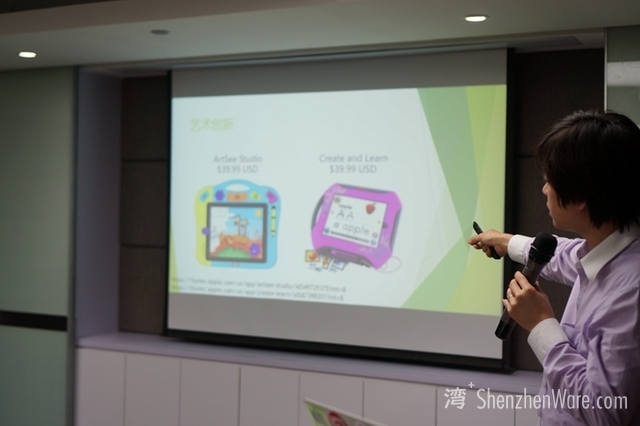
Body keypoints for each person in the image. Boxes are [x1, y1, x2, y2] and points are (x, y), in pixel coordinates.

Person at [468, 110, 640, 425]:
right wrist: (506, 241)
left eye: (550, 180)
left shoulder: (630, 290)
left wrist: (541, 324)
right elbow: (563, 254)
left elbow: (604, 411)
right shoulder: (611, 250)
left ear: (581, 196)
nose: (545, 190)